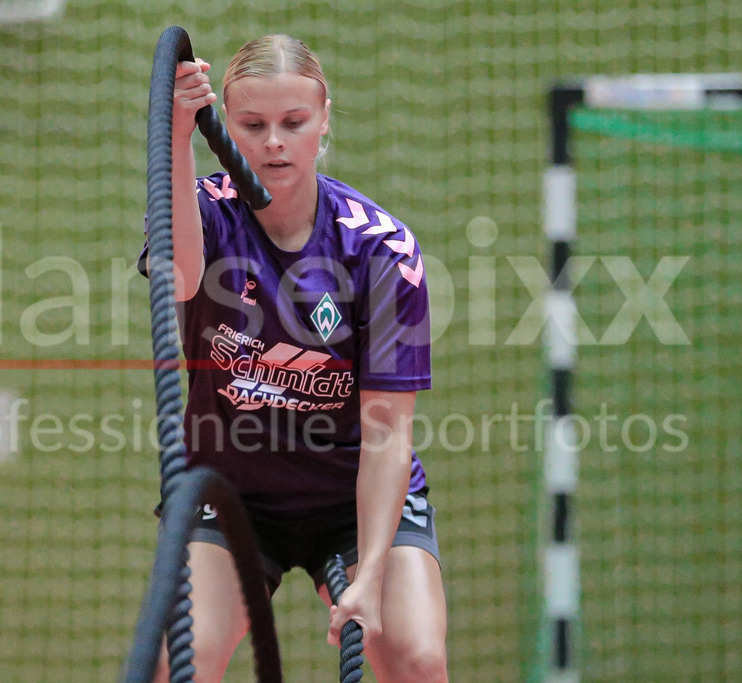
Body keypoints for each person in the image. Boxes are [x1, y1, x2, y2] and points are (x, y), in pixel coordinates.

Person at [141, 34, 447, 682]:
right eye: (252, 125)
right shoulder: (203, 211)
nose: (274, 143)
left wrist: (369, 574)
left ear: (324, 118)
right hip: (232, 493)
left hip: (352, 498)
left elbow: (388, 430)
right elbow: (181, 278)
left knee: (417, 657)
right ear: (225, 124)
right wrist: (177, 135)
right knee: (179, 662)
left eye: (293, 122)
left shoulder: (381, 249)